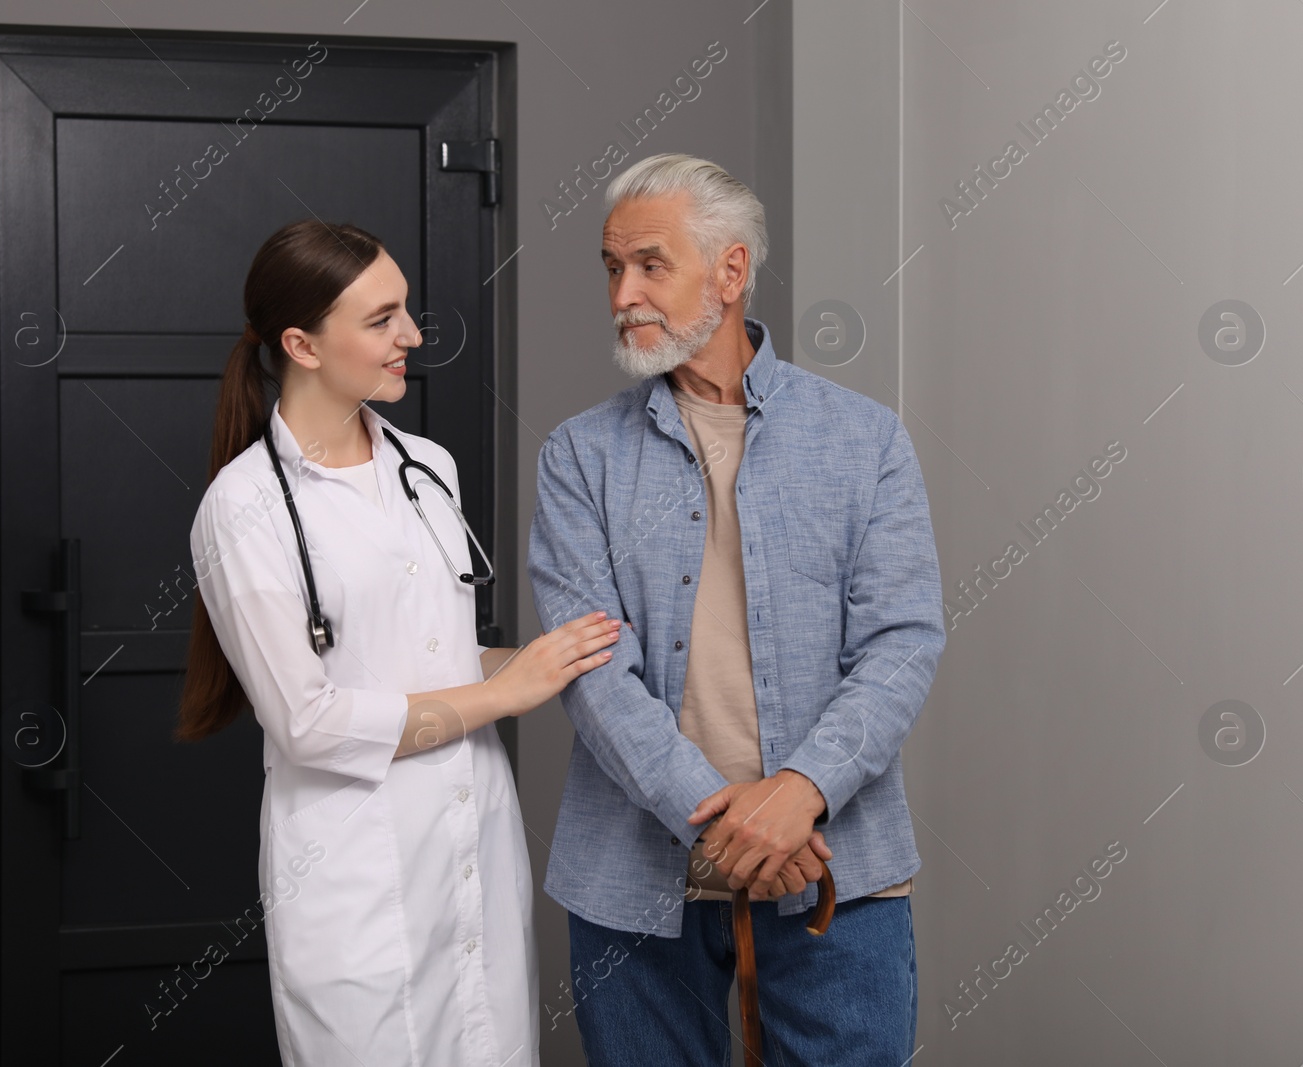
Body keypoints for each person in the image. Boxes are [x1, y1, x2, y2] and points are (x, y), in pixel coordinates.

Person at [527, 153, 946, 1064]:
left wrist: (801, 794)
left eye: (649, 264)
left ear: (730, 269)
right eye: (611, 268)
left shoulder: (865, 438)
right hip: (632, 884)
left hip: (838, 868)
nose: (622, 294)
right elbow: (591, 670)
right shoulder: (577, 457)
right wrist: (722, 819)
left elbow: (902, 644)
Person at [177, 218, 619, 1067]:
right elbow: (307, 720)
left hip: (474, 851)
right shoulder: (243, 510)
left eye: (405, 310)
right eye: (382, 319)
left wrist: (546, 659)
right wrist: (503, 693)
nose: (412, 335)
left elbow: (432, 657)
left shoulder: (429, 467)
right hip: (356, 878)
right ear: (302, 344)